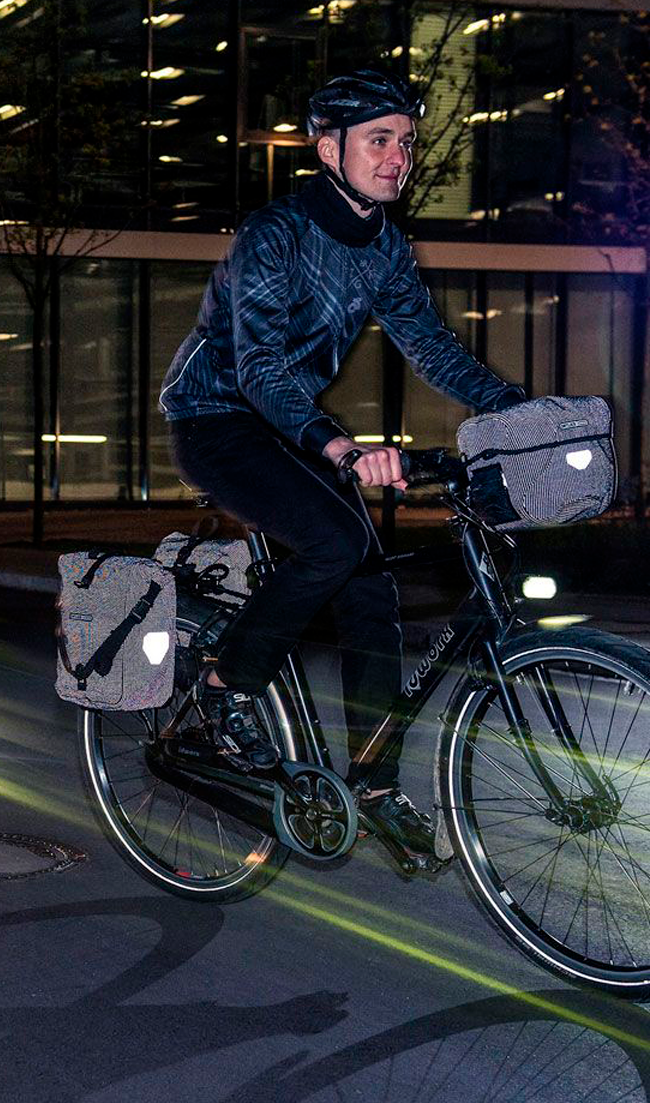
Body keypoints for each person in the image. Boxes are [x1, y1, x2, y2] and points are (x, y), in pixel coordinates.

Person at [159, 69, 525, 856]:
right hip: (218, 419)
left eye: (407, 143)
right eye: (380, 141)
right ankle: (223, 689)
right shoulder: (276, 233)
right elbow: (257, 365)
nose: (400, 158)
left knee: (372, 589)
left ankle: (375, 781)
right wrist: (338, 444)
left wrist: (520, 408)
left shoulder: (386, 246)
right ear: (330, 148)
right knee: (334, 542)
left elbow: (429, 345)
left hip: (289, 430)